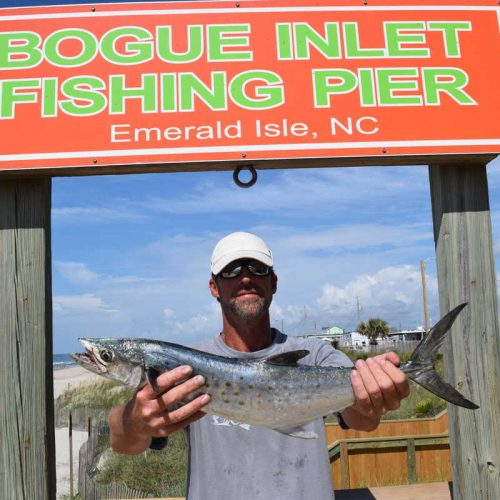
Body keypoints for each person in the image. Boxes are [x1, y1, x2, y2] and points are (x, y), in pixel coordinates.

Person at [108, 231, 410, 499]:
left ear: (273, 282)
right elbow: (125, 443)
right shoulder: (185, 368)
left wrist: (375, 395)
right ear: (214, 287)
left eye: (257, 268)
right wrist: (132, 421)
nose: (245, 278)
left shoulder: (315, 355)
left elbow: (362, 420)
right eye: (231, 270)